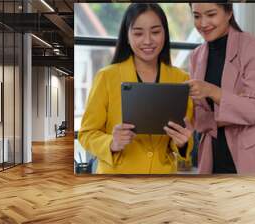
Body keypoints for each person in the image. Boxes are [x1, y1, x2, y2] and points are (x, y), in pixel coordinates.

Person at [78, 3, 194, 174]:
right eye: (138, 33)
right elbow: (86, 134)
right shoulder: (106, 77)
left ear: (165, 33)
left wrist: (182, 143)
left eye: (155, 32)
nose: (147, 40)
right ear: (127, 35)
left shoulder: (181, 80)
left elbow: (180, 140)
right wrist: (111, 142)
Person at [187, 3, 255, 174]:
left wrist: (211, 91)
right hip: (212, 156)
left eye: (211, 14)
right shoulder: (196, 56)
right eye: (197, 16)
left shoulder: (253, 46)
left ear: (229, 12)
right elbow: (199, 119)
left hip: (251, 155)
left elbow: (254, 112)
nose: (203, 23)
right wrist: (236, 107)